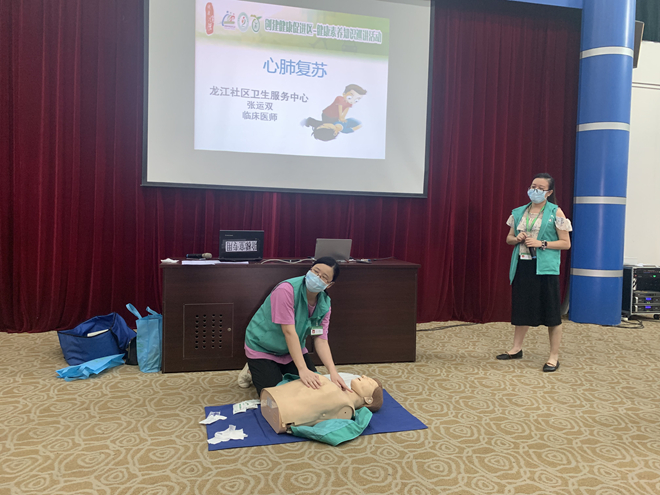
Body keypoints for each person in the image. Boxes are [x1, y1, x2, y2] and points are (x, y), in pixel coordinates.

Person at [237, 257, 350, 395]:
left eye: (324, 277)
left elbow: (320, 339)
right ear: (310, 270)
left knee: (313, 389)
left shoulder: (324, 304)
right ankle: (252, 368)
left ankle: (275, 369)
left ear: (329, 285)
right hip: (263, 347)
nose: (317, 277)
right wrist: (302, 369)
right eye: (316, 271)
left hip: (292, 349)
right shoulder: (286, 290)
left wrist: (333, 372)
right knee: (275, 395)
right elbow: (289, 332)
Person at [497, 173, 572, 372]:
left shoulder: (556, 212)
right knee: (522, 308)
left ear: (549, 192)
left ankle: (553, 357)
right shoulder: (519, 212)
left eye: (540, 188)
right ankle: (516, 349)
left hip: (545, 268)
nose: (535, 190)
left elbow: (565, 243)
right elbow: (509, 238)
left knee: (552, 312)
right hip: (523, 265)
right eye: (533, 186)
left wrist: (542, 243)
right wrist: (517, 238)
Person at [261, 374, 383, 434]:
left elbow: (318, 420)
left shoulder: (346, 408)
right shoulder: (339, 392)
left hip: (282, 412)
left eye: (369, 382)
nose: (364, 376)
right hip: (274, 397)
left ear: (368, 400)